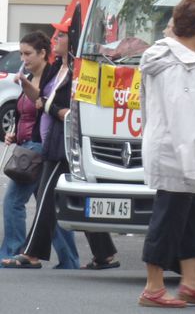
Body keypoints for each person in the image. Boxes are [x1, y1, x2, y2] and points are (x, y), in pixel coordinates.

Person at [137, 0, 195, 307]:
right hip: (179, 156)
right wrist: (190, 164)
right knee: (168, 219)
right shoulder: (179, 66)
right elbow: (183, 118)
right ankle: (153, 287)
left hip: (185, 155)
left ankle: (190, 282)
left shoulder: (182, 60)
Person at [3, 24, 117, 271]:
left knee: (45, 198)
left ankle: (31, 254)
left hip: (61, 143)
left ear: (73, 40)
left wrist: (49, 108)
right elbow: (42, 101)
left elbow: (68, 112)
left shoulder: (78, 72)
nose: (55, 39)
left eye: (62, 35)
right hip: (55, 141)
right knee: (77, 199)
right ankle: (103, 254)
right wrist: (27, 87)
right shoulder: (58, 69)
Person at [1, 32, 75, 266]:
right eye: (21, 53)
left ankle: (12, 252)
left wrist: (26, 84)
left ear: (43, 54)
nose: (24, 58)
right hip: (28, 146)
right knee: (48, 208)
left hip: (40, 148)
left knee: (13, 201)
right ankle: (69, 260)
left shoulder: (51, 76)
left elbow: (43, 105)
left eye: (28, 54)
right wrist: (14, 134)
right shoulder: (31, 76)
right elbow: (26, 112)